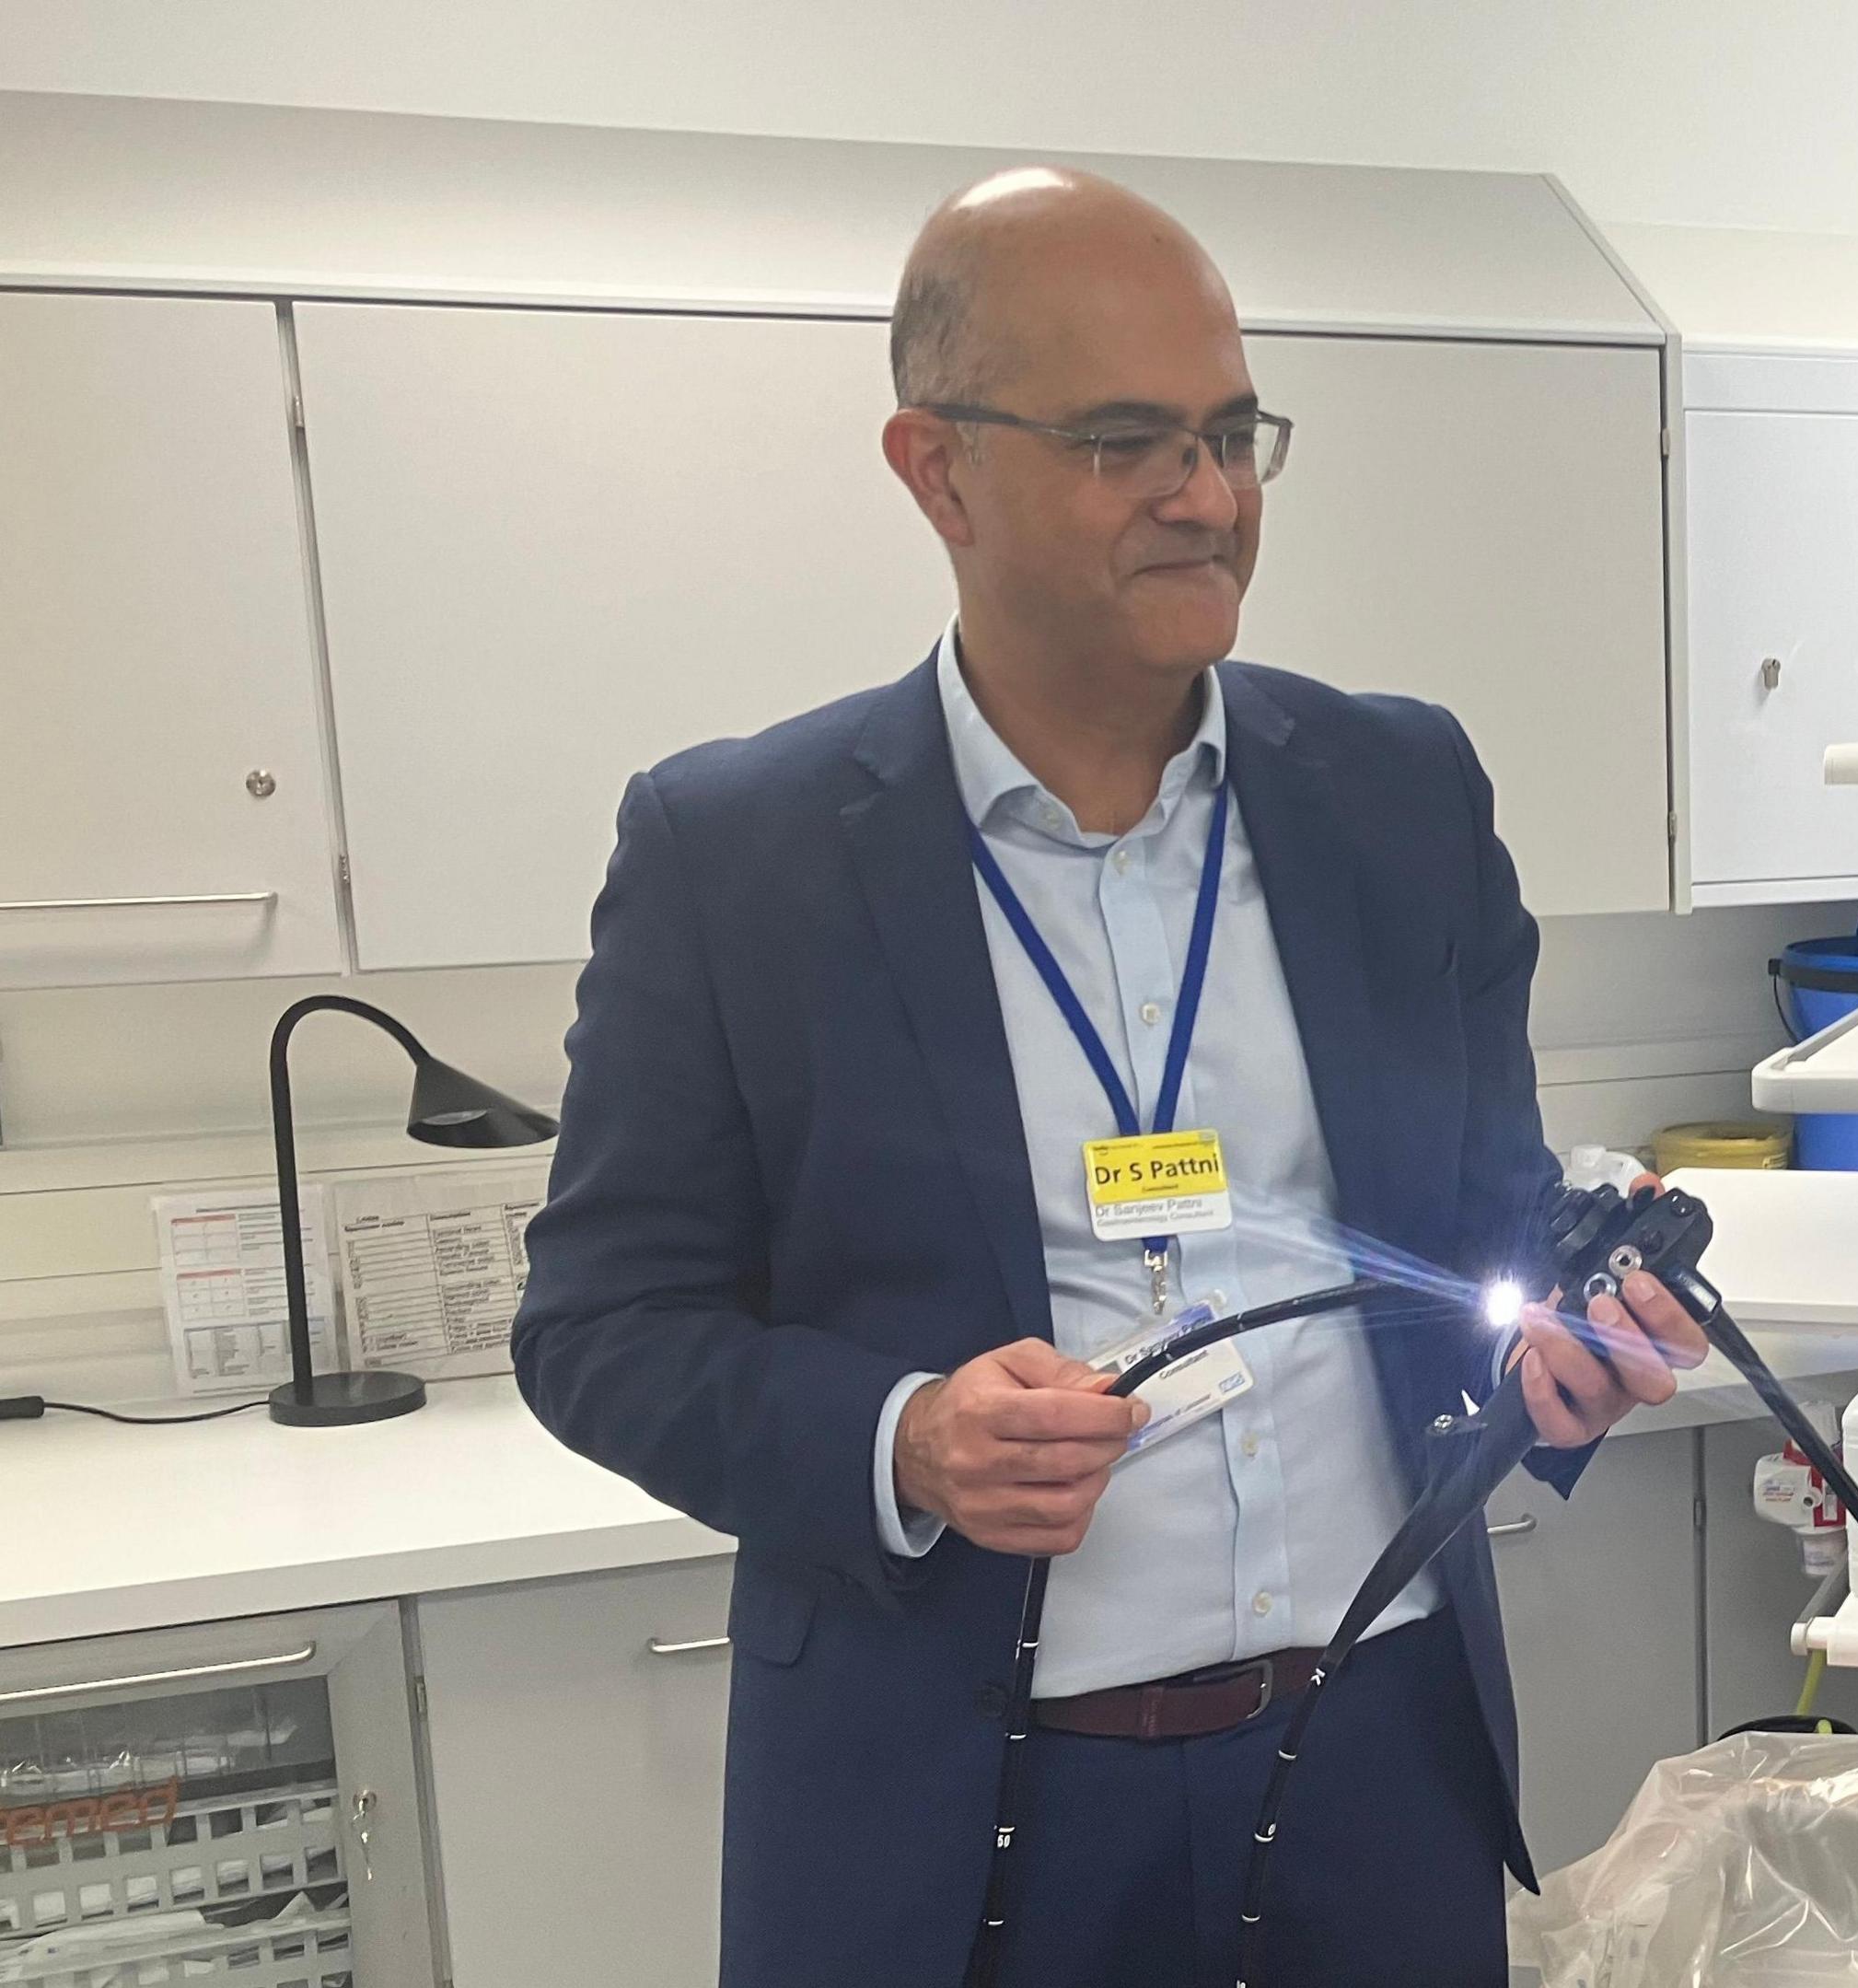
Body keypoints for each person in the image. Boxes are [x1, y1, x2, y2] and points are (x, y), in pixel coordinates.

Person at [512, 167, 1704, 1986]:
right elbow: (599, 1325)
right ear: (937, 470)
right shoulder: (738, 853)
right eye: (1130, 441)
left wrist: (1564, 1347)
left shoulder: (1397, 795)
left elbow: (1477, 1221)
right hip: (966, 1802)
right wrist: (903, 1431)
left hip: (1375, 1760)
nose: (1209, 497)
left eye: (1234, 435)